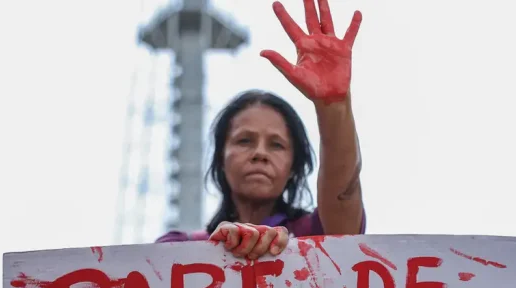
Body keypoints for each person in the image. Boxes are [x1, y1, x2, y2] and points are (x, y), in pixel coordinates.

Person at [156, 0, 364, 260]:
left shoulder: (318, 234)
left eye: (276, 144)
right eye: (244, 141)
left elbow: (344, 193)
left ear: (294, 167)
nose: (260, 154)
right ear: (221, 158)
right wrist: (216, 249)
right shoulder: (176, 249)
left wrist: (333, 106)